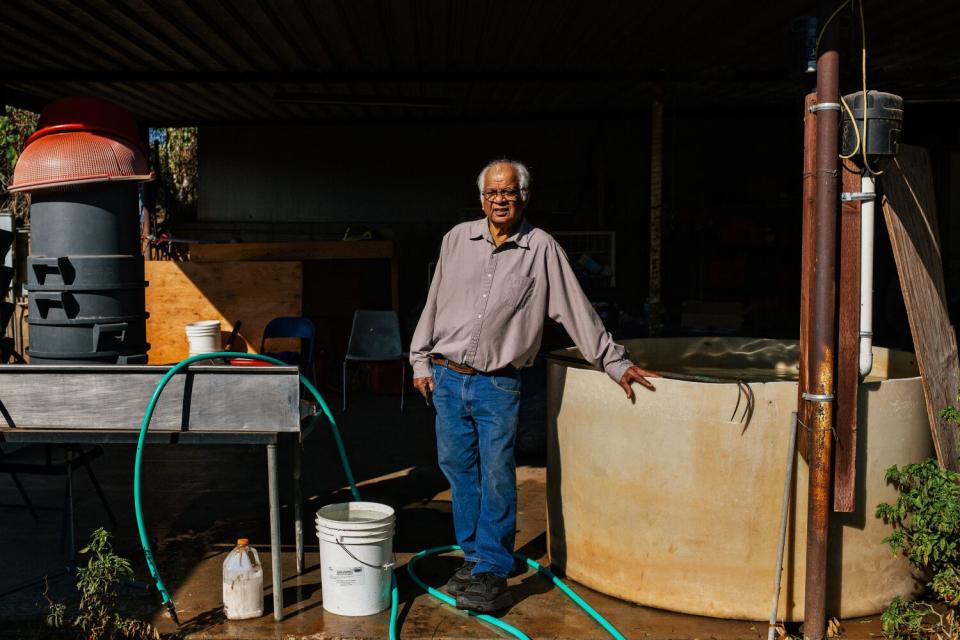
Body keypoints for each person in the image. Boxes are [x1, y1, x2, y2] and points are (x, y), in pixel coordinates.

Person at [409, 159, 657, 612]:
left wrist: (614, 363)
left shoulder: (541, 248)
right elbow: (434, 302)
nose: (500, 200)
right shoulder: (456, 240)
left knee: (498, 475)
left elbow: (575, 310)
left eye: (509, 192)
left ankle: (493, 569)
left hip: (498, 384)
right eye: (492, 193)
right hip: (445, 377)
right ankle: (473, 556)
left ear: (524, 197)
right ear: (481, 198)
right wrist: (419, 360)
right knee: (460, 473)